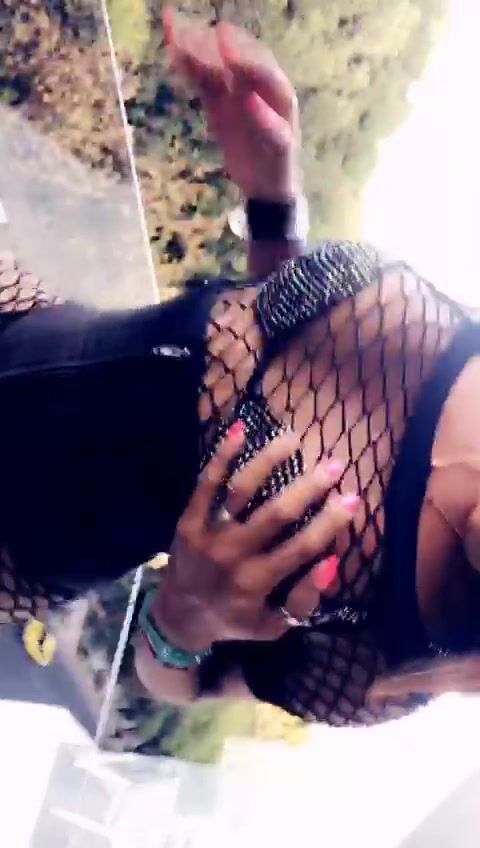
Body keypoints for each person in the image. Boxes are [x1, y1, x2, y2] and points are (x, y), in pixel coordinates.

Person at [0, 13, 479, 724]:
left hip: (18, 545)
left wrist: (184, 619)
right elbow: (269, 376)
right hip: (23, 313)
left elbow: (174, 685)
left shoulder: (398, 659)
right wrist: (274, 206)